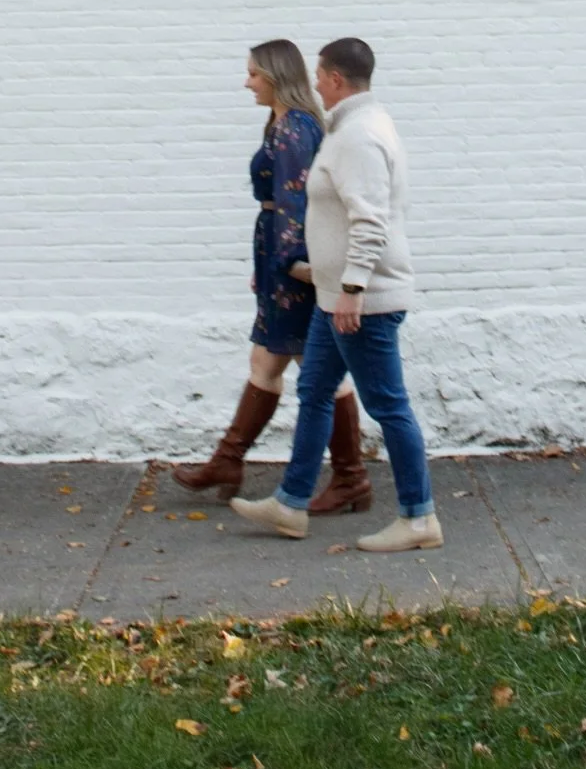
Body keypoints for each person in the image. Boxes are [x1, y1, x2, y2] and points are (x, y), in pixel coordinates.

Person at [231, 37, 442, 553]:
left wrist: (352, 290)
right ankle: (291, 503)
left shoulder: (359, 137)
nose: (316, 84)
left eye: (321, 75)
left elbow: (370, 223)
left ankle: (419, 518)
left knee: (388, 406)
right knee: (316, 392)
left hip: (362, 302)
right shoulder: (352, 128)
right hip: (334, 295)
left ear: (337, 80)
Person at [174, 40, 371, 512]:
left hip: (292, 264)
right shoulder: (287, 125)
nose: (247, 83)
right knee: (266, 363)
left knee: (319, 370)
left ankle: (351, 478)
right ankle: (229, 460)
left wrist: (285, 267)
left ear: (276, 77)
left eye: (253, 75)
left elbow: (296, 202)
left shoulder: (292, 131)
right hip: (279, 257)